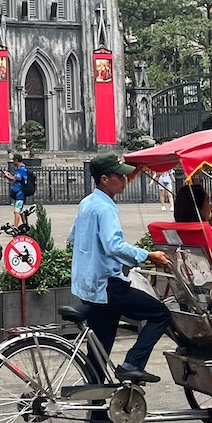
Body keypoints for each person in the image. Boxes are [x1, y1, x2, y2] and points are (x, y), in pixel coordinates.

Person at [70, 154, 172, 384]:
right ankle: (133, 363)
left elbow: (74, 238)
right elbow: (113, 245)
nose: (125, 180)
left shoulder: (87, 203)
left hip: (89, 287)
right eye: (119, 176)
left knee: (98, 356)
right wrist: (148, 255)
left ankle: (97, 415)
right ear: (104, 179)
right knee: (161, 314)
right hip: (108, 287)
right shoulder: (105, 208)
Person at [4, 154, 29, 227]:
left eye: (14, 161)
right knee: (20, 211)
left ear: (17, 160)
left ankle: (16, 227)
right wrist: (8, 175)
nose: (13, 162)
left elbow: (14, 179)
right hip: (18, 193)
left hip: (20, 193)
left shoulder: (22, 169)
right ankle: (25, 225)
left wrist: (7, 176)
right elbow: (15, 178)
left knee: (16, 211)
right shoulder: (20, 169)